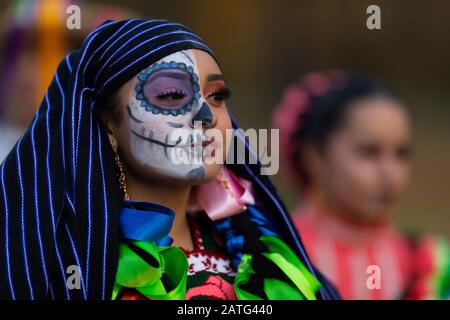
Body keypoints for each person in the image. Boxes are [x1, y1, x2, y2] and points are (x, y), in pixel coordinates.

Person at [0, 18, 339, 300]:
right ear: (108, 125)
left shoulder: (269, 256)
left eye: (217, 95)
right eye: (172, 95)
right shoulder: (58, 265)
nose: (205, 115)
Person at [272, 70, 450, 299]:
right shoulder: (276, 256)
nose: (389, 172)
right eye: (369, 153)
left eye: (401, 154)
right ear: (315, 158)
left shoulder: (432, 264)